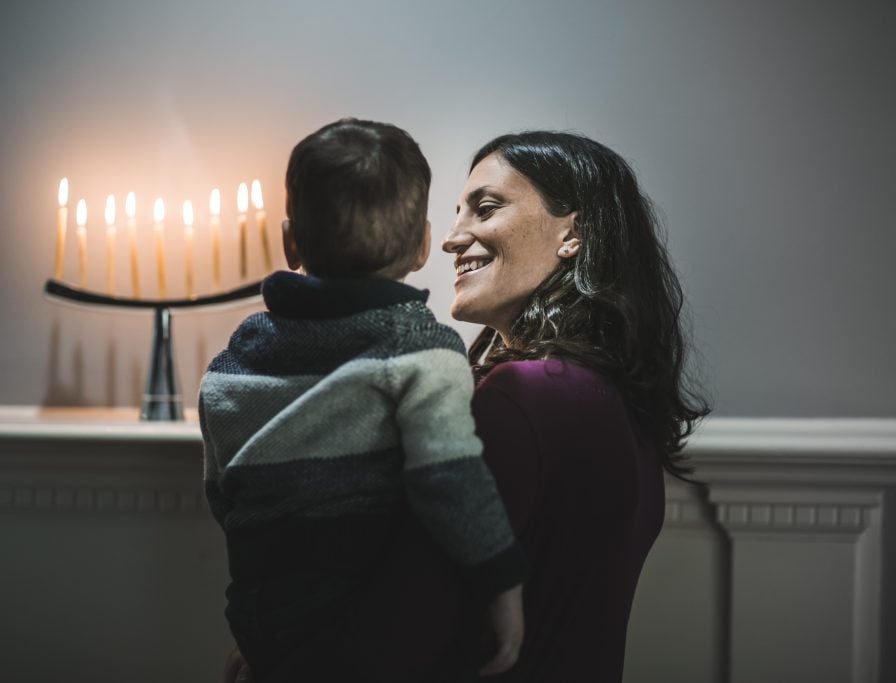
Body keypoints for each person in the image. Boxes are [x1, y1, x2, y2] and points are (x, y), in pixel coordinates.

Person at [350, 130, 710, 682]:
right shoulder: (613, 398)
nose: (451, 239)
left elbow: (407, 627)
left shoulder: (525, 395)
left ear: (574, 233)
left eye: (485, 208)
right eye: (456, 213)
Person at [199, 118, 529, 682]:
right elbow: (449, 476)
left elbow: (222, 493)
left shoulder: (234, 360)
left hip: (259, 618)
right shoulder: (421, 348)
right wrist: (502, 582)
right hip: (366, 622)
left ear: (290, 240)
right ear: (425, 244)